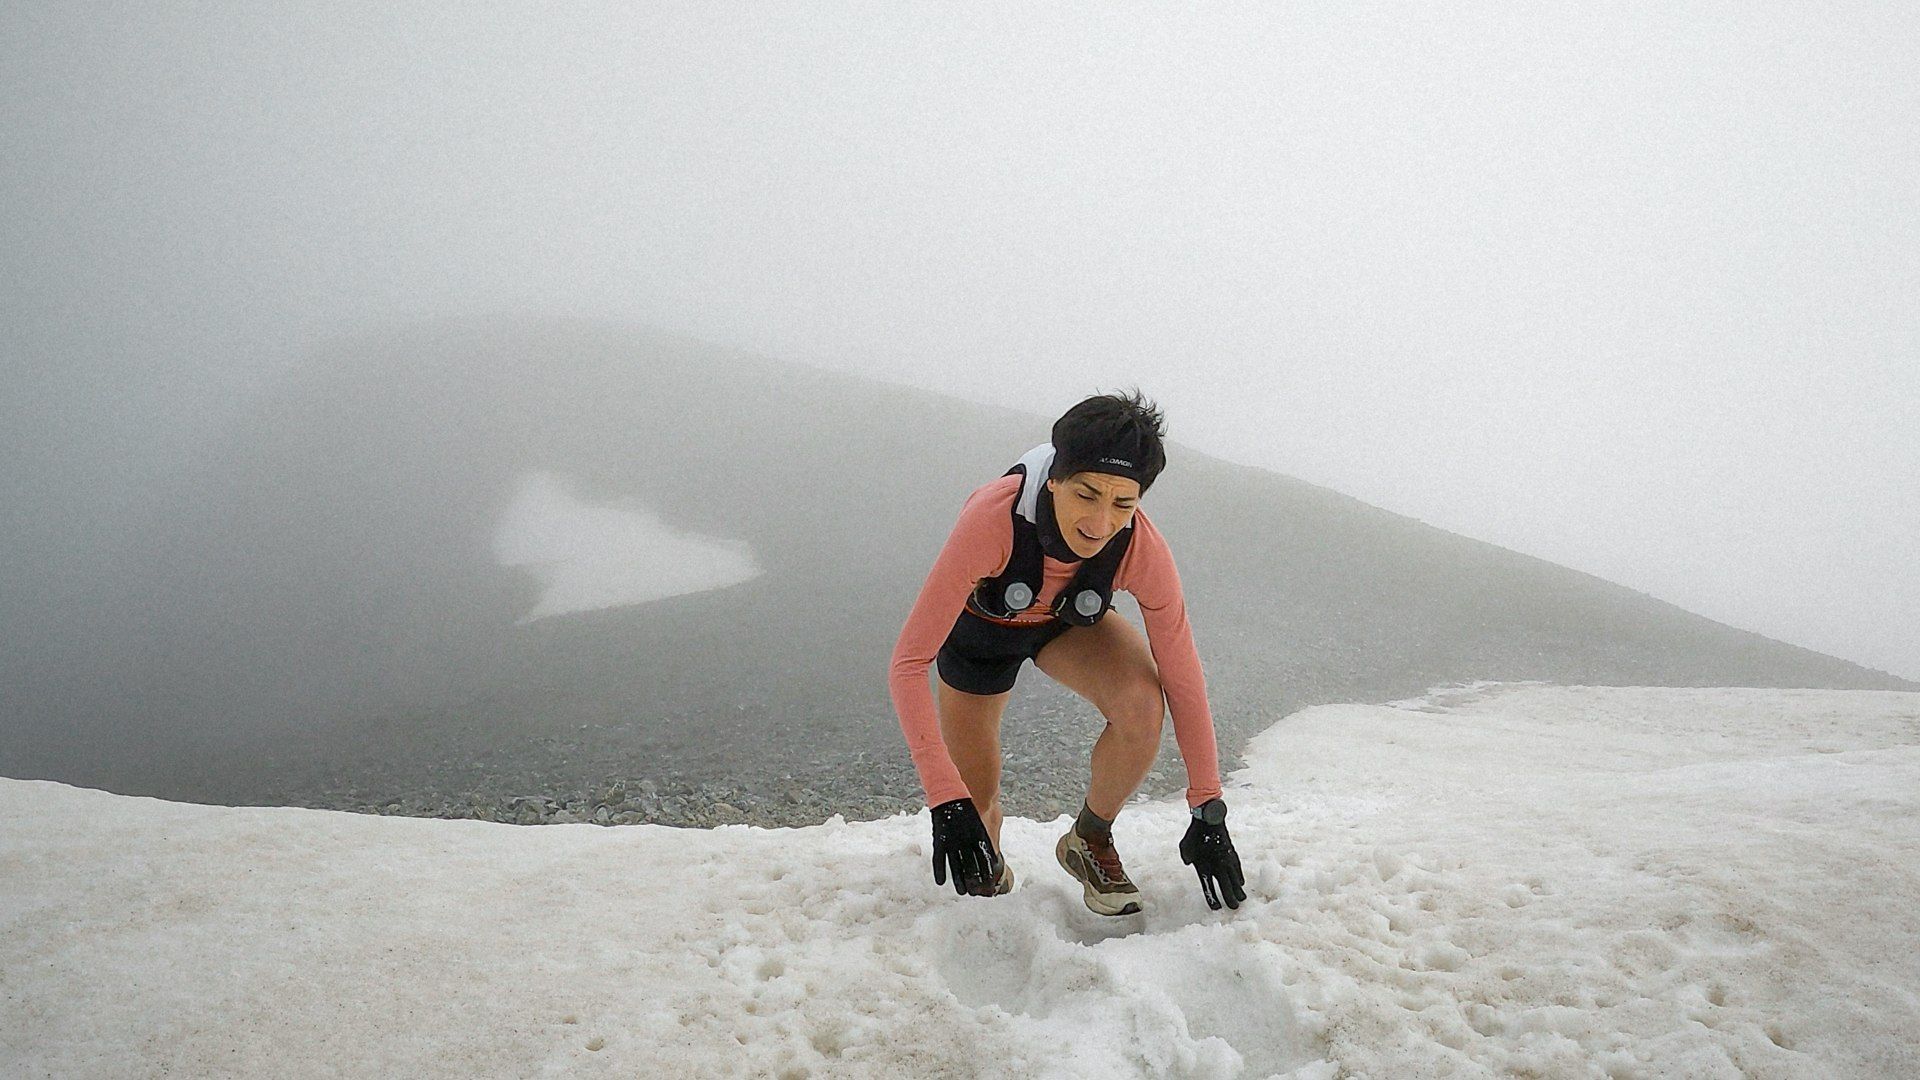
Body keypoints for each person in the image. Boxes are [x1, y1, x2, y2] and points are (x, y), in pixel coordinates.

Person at [888, 390, 1247, 914]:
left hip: (1069, 625)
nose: (1100, 523)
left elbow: (1183, 675)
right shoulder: (993, 519)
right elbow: (908, 664)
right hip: (981, 638)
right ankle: (992, 857)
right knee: (976, 813)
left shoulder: (1141, 547)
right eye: (1086, 494)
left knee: (1144, 705)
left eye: (1123, 503)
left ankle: (1089, 839)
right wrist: (946, 799)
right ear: (1054, 477)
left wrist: (1207, 806)